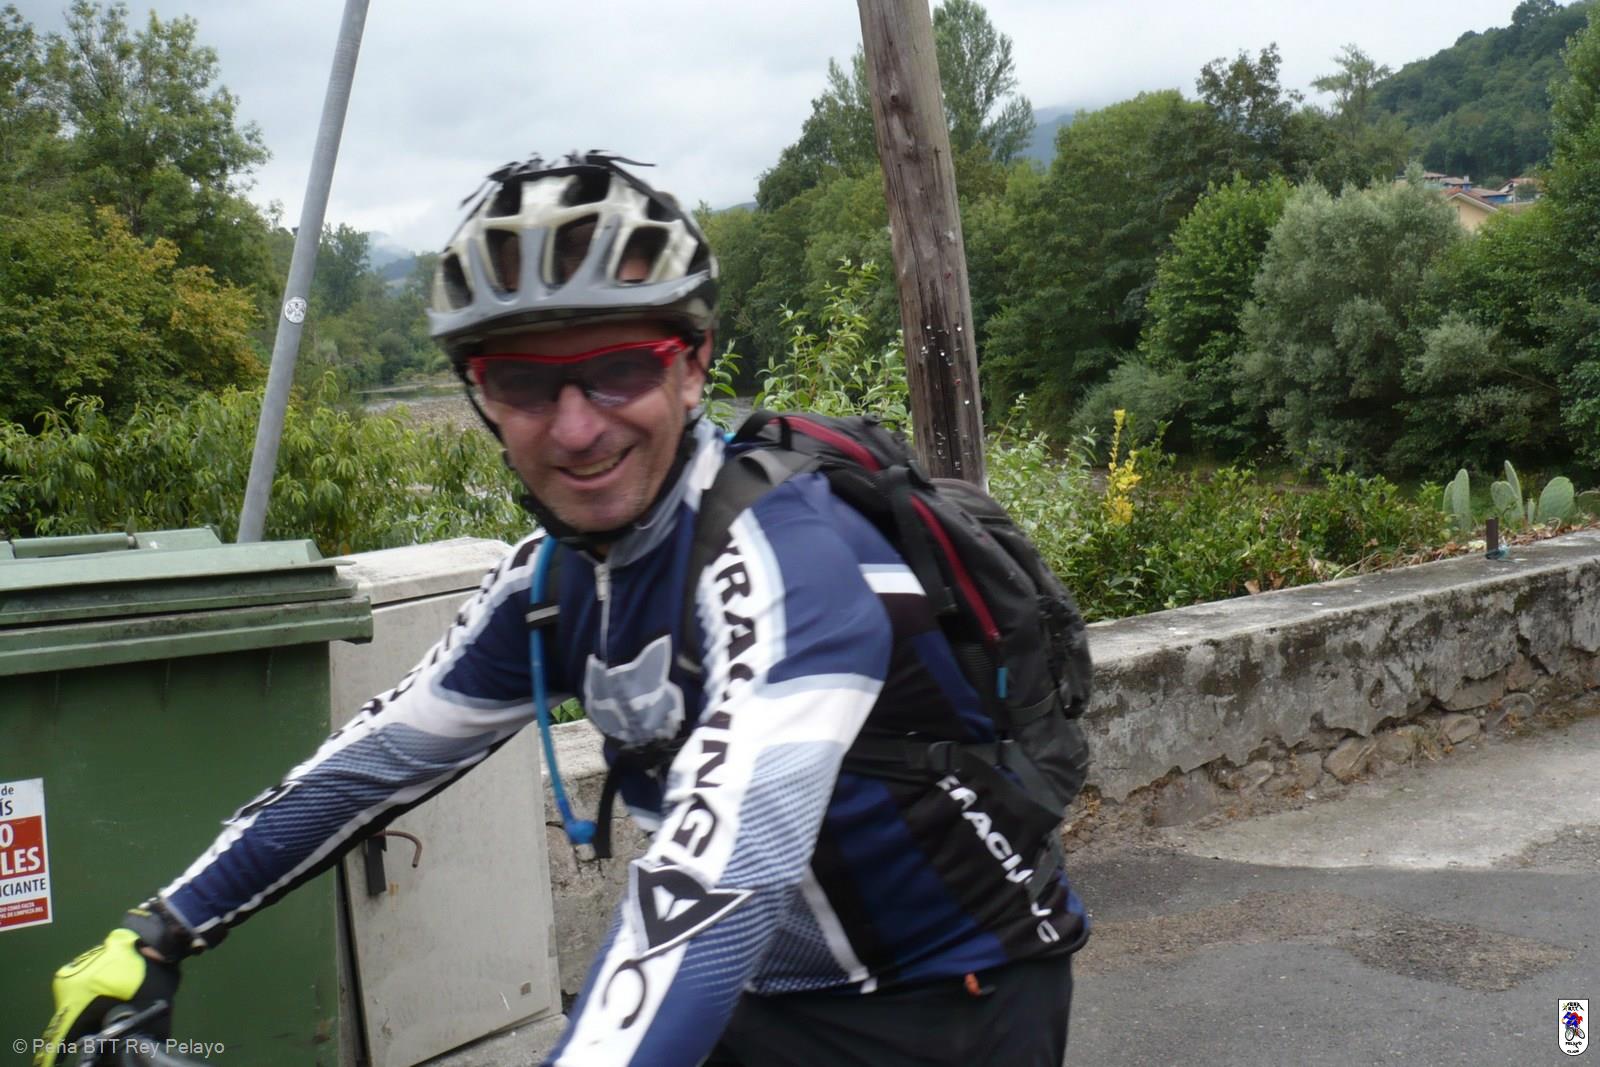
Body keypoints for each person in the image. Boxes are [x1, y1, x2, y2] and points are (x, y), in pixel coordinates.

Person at [37, 151, 1087, 1067]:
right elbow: (371, 762)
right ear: (481, 395)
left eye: (619, 368)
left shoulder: (791, 558)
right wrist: (162, 927)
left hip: (941, 1003)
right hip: (745, 996)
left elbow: (719, 879)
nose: (576, 428)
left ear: (693, 366)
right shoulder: (552, 581)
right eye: (525, 383)